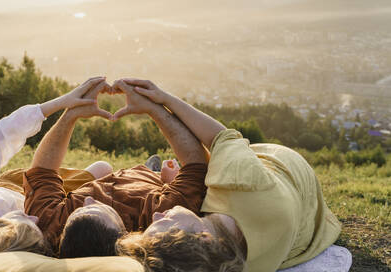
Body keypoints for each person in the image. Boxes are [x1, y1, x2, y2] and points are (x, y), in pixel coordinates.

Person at [114, 79, 342, 272]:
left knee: (203, 174)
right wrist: (162, 99)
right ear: (203, 237)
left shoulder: (228, 264)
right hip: (284, 165)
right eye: (166, 223)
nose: (156, 217)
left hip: (300, 220)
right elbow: (221, 137)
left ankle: (161, 175)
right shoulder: (241, 181)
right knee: (209, 166)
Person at [23, 78, 216, 261]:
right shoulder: (160, 220)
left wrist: (71, 114)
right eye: (97, 207)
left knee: (102, 168)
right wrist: (154, 109)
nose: (88, 200)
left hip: (120, 177)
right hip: (150, 180)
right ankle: (155, 172)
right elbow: (196, 164)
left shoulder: (53, 226)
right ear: (123, 234)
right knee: (162, 172)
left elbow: (42, 170)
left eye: (79, 210)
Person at [0, 76, 114, 267]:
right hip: (42, 202)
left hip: (14, 185)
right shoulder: (29, 240)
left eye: (24, 220)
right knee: (103, 169)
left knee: (102, 168)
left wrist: (63, 102)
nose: (35, 219)